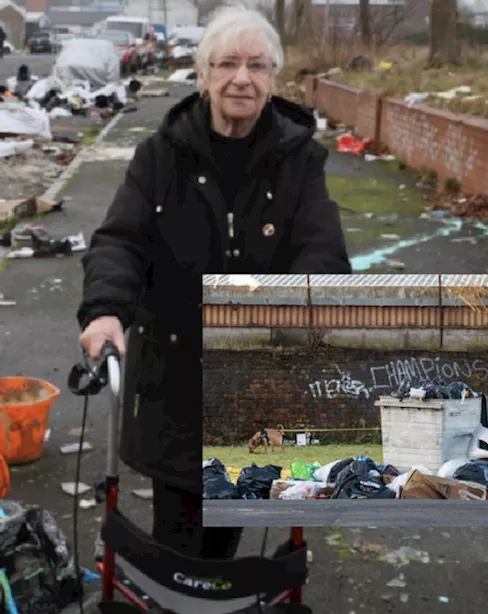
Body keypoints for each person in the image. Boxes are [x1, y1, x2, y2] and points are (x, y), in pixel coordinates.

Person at [77, 4, 350, 560]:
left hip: (254, 375)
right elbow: (120, 240)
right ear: (202, 75)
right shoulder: (159, 155)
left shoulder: (300, 161)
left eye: (256, 65)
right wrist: (106, 309)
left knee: (228, 523)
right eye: (227, 63)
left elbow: (322, 250)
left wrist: (294, 316)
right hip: (172, 374)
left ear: (274, 78)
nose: (241, 78)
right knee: (176, 533)